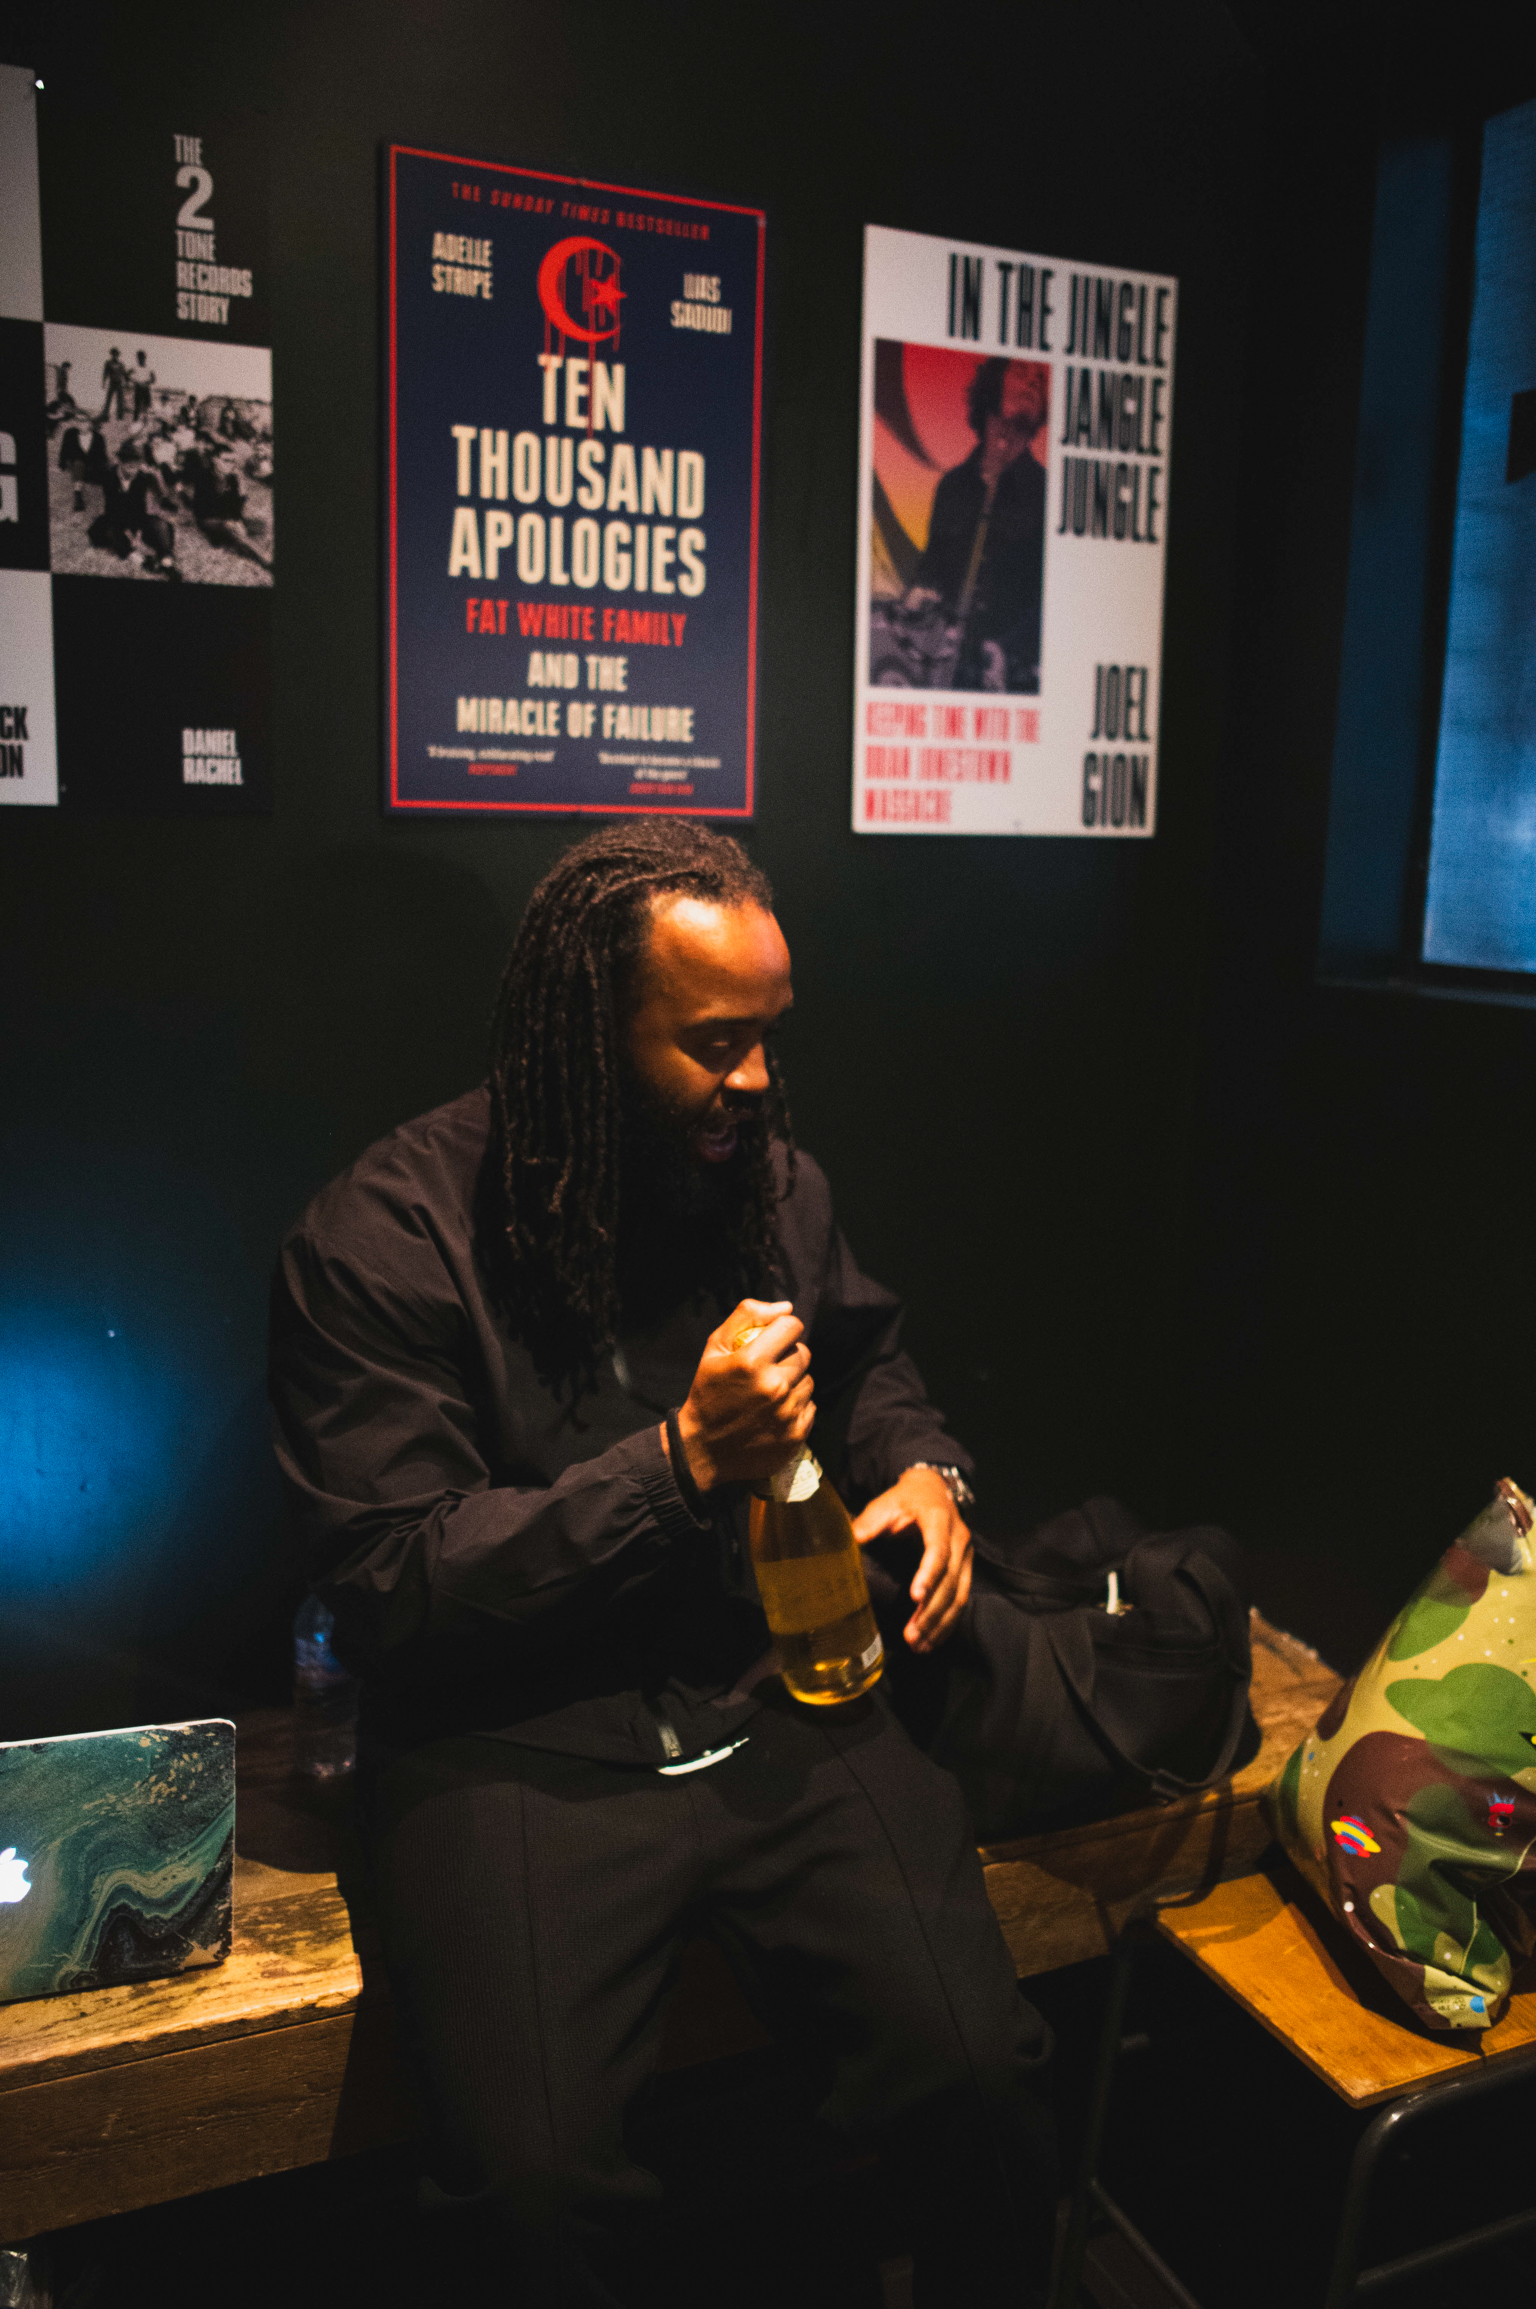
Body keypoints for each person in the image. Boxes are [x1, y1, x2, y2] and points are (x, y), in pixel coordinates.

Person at [269, 823, 1056, 2308]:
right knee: (535, 2186)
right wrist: (681, 1460)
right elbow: (393, 1586)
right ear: (588, 1028)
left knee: (979, 2080)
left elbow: (870, 1359)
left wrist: (933, 1475)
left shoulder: (768, 1181)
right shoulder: (385, 1236)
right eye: (713, 1043)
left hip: (772, 1689)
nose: (755, 1080)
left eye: (770, 1037)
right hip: (516, 1738)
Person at [906, 357, 1048, 693]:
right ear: (993, 384)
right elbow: (934, 563)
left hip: (1016, 677)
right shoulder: (952, 485)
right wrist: (918, 590)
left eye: (1040, 379)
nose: (1033, 383)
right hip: (949, 672)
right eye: (1021, 373)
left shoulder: (1048, 493)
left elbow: (1055, 599)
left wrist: (1008, 648)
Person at [57, 414, 111, 511]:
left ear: (90, 423)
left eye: (84, 421)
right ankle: (78, 496)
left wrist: (104, 467)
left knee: (107, 477)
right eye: (78, 421)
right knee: (79, 464)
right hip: (76, 462)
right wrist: (62, 464)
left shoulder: (99, 437)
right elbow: (64, 450)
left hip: (92, 465)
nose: (81, 424)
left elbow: (102, 456)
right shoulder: (70, 434)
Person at [99, 346, 129, 422]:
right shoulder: (108, 363)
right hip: (112, 383)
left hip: (119, 384)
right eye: (113, 354)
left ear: (118, 355)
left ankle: (120, 416)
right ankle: (105, 415)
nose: (115, 355)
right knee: (108, 400)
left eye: (116, 354)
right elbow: (105, 373)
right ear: (112, 354)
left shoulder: (121, 364)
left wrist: (126, 383)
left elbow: (124, 374)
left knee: (120, 400)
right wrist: (103, 383)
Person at [128, 350, 155, 419]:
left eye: (142, 358)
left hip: (146, 388)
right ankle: (135, 420)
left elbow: (153, 379)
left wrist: (148, 382)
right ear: (137, 358)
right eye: (139, 358)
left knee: (147, 406)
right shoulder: (134, 367)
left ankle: (146, 419)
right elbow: (127, 375)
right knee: (137, 406)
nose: (141, 359)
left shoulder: (149, 368)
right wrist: (134, 381)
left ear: (145, 358)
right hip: (138, 388)